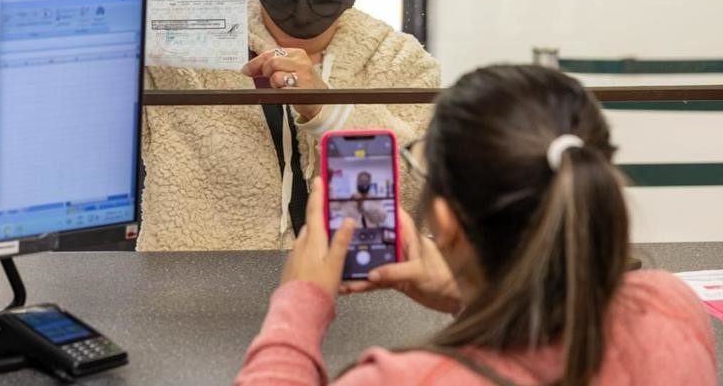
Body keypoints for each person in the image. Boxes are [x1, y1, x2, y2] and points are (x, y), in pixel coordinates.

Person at [235, 65, 717, 385]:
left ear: (443, 221)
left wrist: (297, 306)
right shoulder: (671, 307)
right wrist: (482, 298)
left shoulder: (404, 379)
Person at [63, 0, 439, 251]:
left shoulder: (400, 64)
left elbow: (424, 200)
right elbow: (71, 99)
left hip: (354, 303)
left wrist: (329, 111)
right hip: (186, 302)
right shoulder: (182, 48)